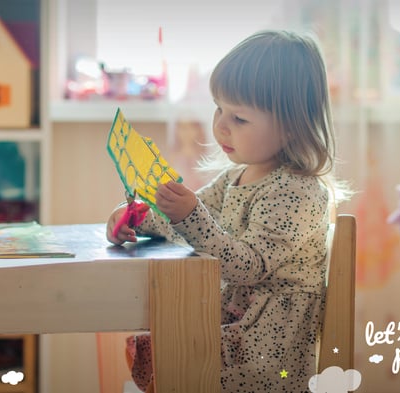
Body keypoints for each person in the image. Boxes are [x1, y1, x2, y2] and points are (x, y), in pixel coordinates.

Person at [107, 29, 347, 393]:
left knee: (172, 351)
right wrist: (139, 219)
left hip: (267, 354)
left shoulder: (299, 191)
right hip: (235, 330)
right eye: (219, 108)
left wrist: (189, 215)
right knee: (163, 340)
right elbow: (186, 223)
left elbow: (247, 266)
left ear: (291, 127)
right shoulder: (234, 177)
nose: (220, 124)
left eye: (240, 119)